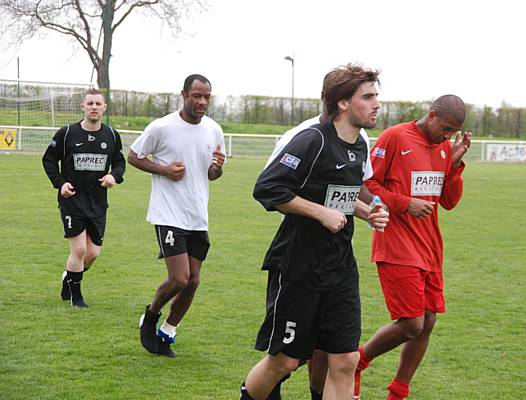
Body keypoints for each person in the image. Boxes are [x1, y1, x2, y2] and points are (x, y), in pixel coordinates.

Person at [240, 63, 389, 400]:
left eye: (377, 96)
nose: (377, 104)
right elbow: (267, 189)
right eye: (367, 97)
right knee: (286, 361)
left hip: (340, 268)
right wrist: (319, 213)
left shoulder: (359, 145)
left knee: (346, 360)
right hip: (298, 265)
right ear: (342, 103)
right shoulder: (312, 141)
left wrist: (367, 213)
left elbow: (341, 197)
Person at [353, 95, 472, 400]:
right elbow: (367, 186)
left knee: (428, 321)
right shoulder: (395, 137)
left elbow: (448, 202)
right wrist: (405, 204)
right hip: (396, 242)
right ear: (431, 115)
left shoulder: (445, 147)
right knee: (411, 323)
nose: (447, 136)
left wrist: (455, 165)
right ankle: (357, 361)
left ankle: (398, 392)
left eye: (452, 131)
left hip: (429, 246)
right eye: (445, 128)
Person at [128, 74, 226, 358]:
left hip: (197, 215)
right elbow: (134, 156)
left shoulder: (214, 130)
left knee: (194, 281)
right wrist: (164, 170)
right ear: (183, 94)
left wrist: (218, 168)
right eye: (196, 96)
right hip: (168, 213)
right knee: (180, 278)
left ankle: (168, 331)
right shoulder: (162, 127)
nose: (202, 102)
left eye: (207, 96)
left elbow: (212, 174)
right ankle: (151, 314)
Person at [42, 88, 126, 308]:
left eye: (98, 104)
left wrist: (113, 176)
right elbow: (49, 160)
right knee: (78, 250)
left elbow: (120, 163)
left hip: (98, 202)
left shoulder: (112, 135)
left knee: (92, 254)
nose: (94, 107)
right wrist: (60, 184)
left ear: (104, 107)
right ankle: (76, 298)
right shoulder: (67, 133)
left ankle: (68, 278)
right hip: (73, 201)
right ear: (83, 107)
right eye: (90, 103)